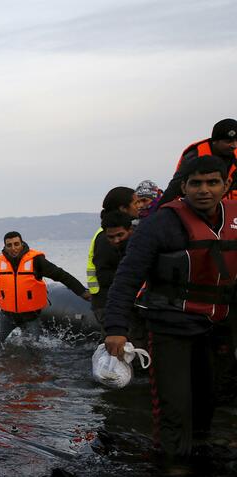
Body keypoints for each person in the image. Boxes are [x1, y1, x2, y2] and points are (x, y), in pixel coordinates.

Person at [103, 155, 237, 458]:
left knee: (208, 399)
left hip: (217, 327)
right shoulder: (160, 225)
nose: (204, 190)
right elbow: (126, 279)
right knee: (174, 405)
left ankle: (200, 452)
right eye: (196, 183)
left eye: (212, 182)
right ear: (183, 187)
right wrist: (115, 328)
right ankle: (173, 467)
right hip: (170, 327)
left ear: (226, 184)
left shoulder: (234, 219)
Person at [0, 232, 90, 342]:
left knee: (33, 349)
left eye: (16, 244)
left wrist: (82, 292)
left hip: (30, 317)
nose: (13, 248)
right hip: (7, 316)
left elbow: (61, 275)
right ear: (5, 247)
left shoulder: (36, 261)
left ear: (22, 244)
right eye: (9, 245)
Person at [87, 187, 138, 324]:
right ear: (123, 208)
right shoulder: (108, 237)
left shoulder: (124, 232)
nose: (139, 206)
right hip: (108, 303)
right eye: (135, 203)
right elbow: (104, 275)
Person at [160, 118, 237, 205]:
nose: (234, 145)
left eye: (236, 140)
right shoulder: (195, 155)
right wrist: (159, 210)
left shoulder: (235, 156)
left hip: (223, 205)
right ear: (215, 141)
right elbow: (175, 187)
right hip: (196, 204)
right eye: (228, 141)